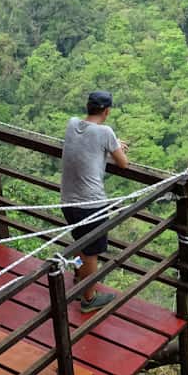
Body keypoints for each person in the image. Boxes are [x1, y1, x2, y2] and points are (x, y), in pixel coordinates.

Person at [60, 90, 129, 312]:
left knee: (81, 245)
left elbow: (87, 149)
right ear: (106, 111)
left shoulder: (72, 124)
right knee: (91, 253)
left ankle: (80, 277)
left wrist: (108, 147)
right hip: (91, 206)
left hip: (67, 201)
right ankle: (88, 298)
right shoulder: (106, 132)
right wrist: (116, 145)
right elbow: (123, 164)